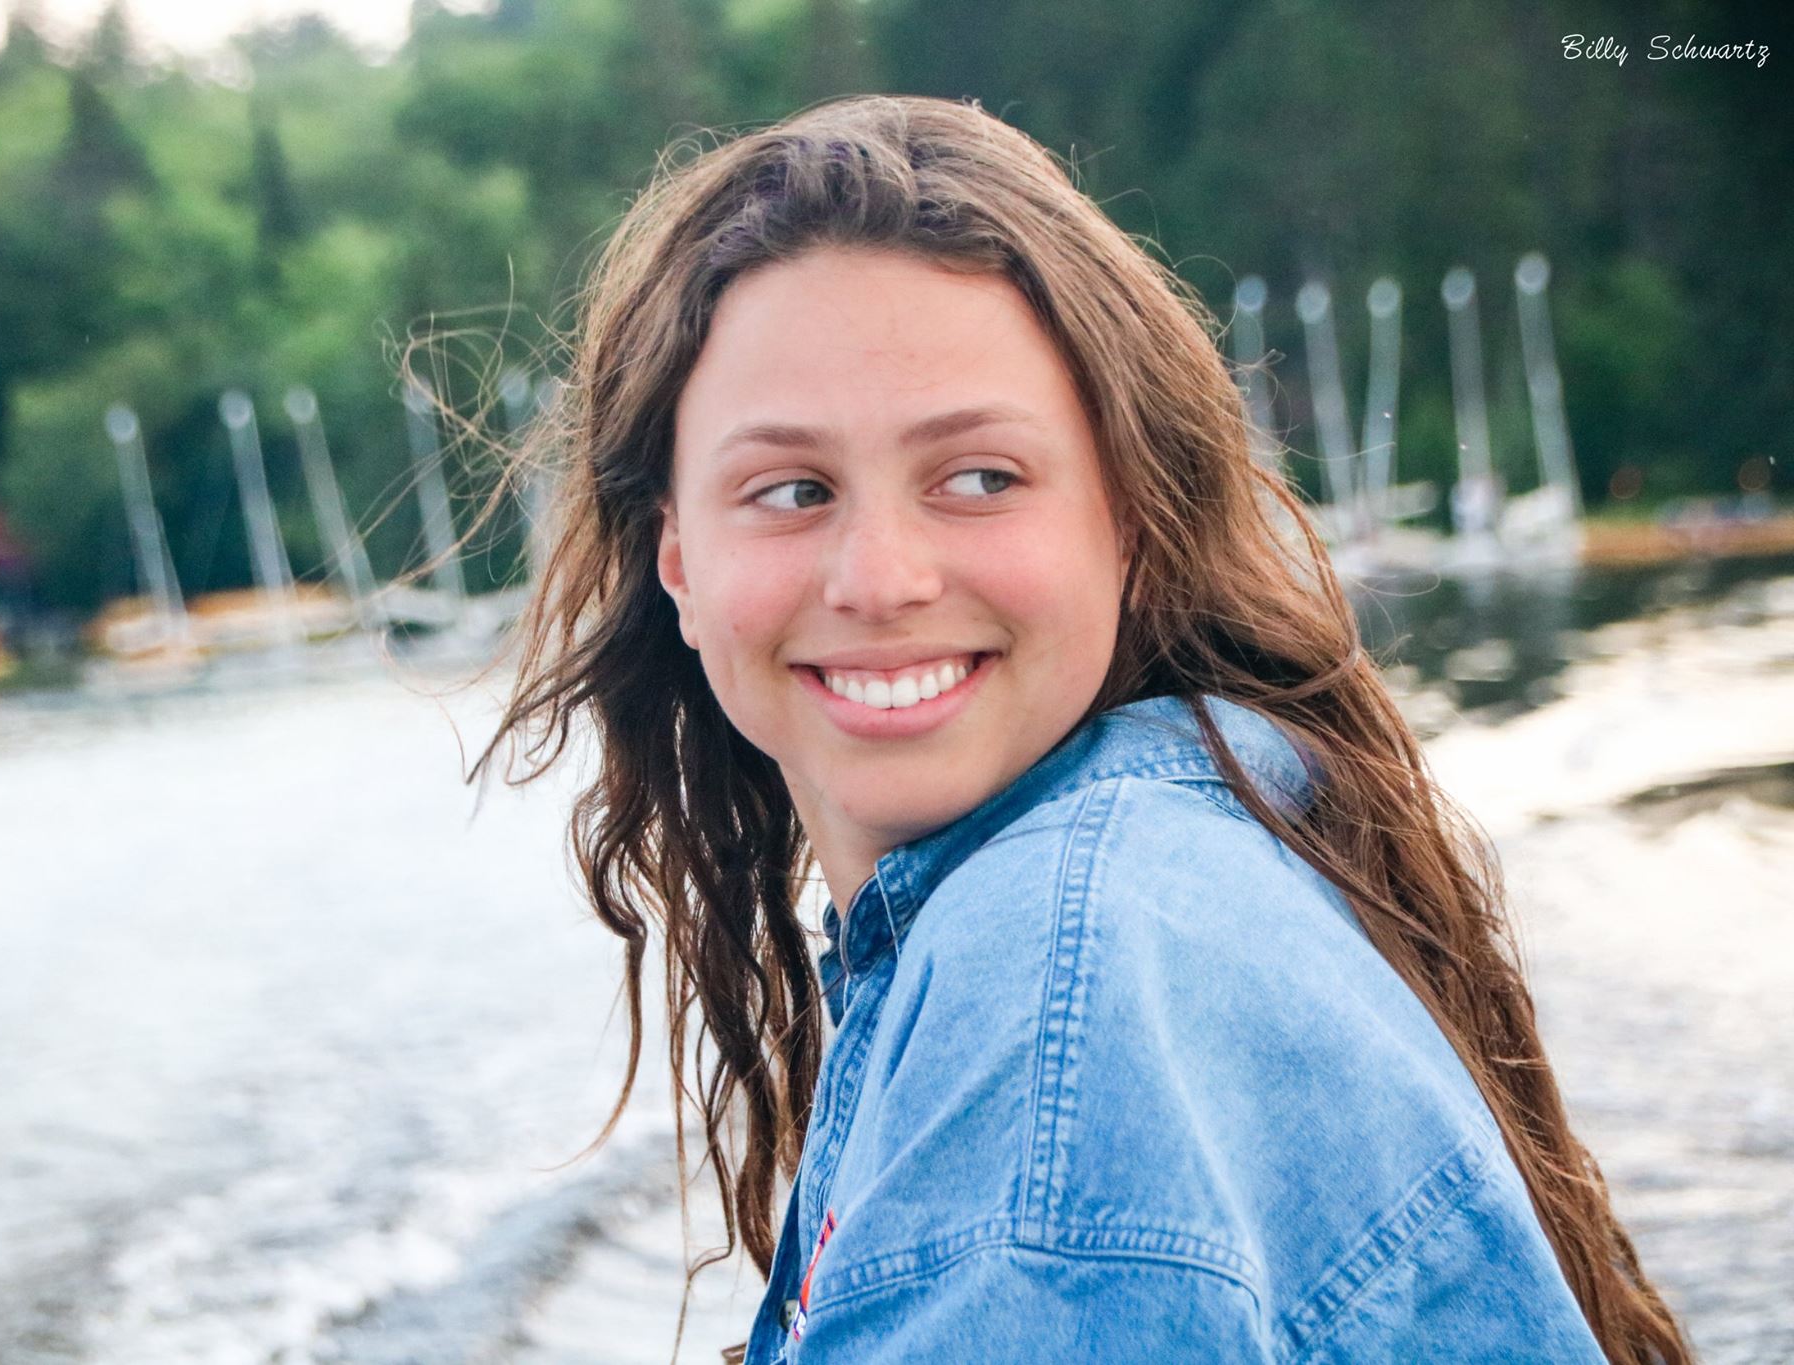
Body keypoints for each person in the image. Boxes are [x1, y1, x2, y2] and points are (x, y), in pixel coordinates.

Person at [449, 95, 1690, 1362]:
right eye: (790, 491)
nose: (880, 578)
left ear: (1129, 523)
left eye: (978, 478)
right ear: (677, 557)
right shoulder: (1201, 829)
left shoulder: (1060, 975)